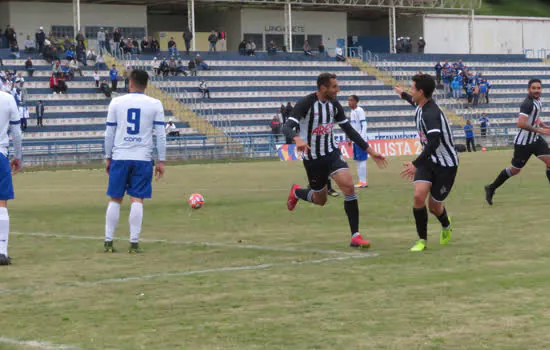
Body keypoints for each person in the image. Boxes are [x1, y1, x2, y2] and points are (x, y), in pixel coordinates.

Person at [283, 73, 387, 248]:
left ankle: (355, 235)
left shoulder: (334, 105)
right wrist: (297, 139)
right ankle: (297, 192)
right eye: (334, 87)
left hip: (331, 153)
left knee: (348, 186)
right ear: (323, 88)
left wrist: (371, 151)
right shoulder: (306, 103)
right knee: (320, 200)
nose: (338, 90)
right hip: (313, 158)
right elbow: (286, 127)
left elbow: (349, 130)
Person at [103, 69, 167, 253]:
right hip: (142, 157)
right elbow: (161, 136)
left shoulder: (116, 102)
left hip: (120, 156)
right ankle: (133, 243)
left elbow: (109, 133)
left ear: (130, 83)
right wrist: (161, 161)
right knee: (137, 198)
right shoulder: (155, 104)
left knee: (115, 198)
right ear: (146, 85)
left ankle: (108, 241)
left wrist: (108, 157)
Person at [394, 74, 459, 252]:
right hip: (428, 161)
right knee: (418, 197)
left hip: (446, 165)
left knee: (434, 206)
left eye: (412, 88)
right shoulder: (421, 105)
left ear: (421, 92)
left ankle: (446, 225)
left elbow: (434, 141)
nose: (410, 90)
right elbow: (412, 100)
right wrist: (402, 94)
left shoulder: (431, 113)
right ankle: (421, 240)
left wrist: (415, 163)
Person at [485, 79, 550, 206]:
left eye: (538, 88)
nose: (536, 90)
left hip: (535, 140)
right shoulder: (527, 104)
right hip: (523, 144)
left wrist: (544, 125)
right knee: (515, 170)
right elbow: (520, 123)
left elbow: (534, 117)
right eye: (534, 88)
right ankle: (491, 187)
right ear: (528, 89)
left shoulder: (537, 101)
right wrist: (540, 130)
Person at [0, 90, 22, 265]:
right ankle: (2, 252)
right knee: (1, 203)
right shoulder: (7, 99)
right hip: (0, 154)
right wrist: (18, 156)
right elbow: (16, 131)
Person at [348, 95, 368, 188]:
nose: (349, 102)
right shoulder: (352, 112)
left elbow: (364, 124)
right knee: (358, 160)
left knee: (362, 160)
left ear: (356, 102)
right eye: (349, 100)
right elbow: (352, 127)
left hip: (360, 140)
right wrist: (350, 138)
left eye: (351, 100)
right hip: (355, 140)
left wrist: (362, 138)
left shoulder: (359, 110)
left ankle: (363, 181)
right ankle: (361, 181)